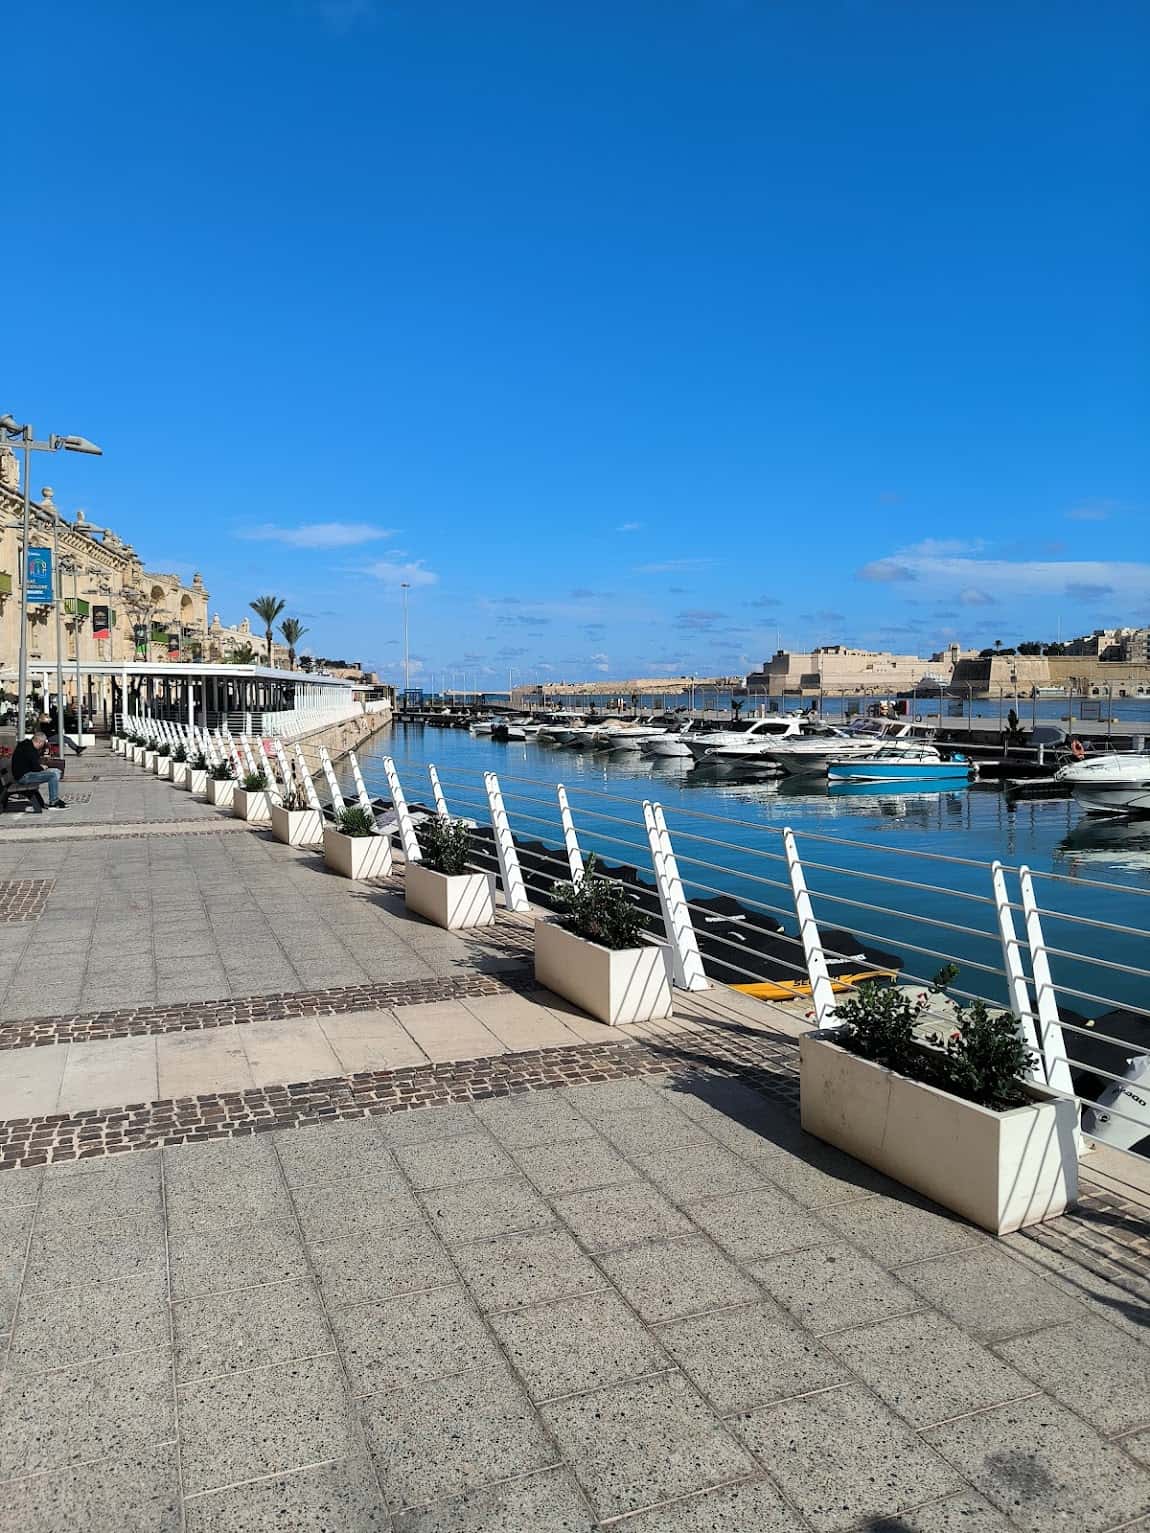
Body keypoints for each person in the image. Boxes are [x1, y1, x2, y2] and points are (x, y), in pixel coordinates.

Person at [11, 732, 67, 810]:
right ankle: (53, 802)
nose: (43, 745)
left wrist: (42, 768)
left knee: (54, 772)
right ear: (40, 742)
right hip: (24, 777)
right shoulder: (29, 749)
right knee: (52, 775)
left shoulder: (26, 745)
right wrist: (43, 768)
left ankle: (55, 799)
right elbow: (36, 768)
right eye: (43, 743)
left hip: (24, 774)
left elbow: (32, 764)